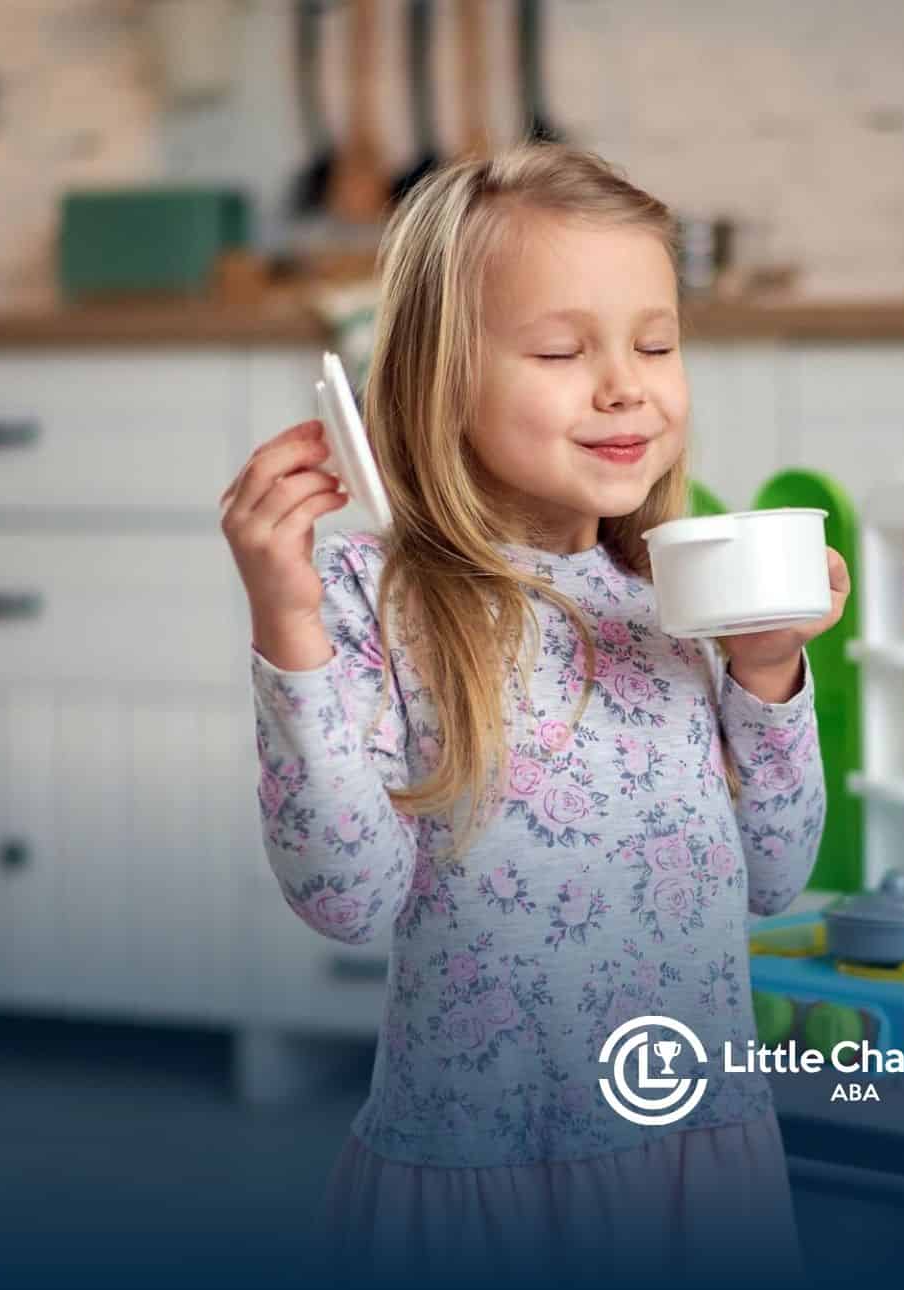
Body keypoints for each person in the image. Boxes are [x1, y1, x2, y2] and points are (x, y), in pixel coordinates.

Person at [219, 143, 846, 1289]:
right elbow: (345, 898)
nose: (625, 386)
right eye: (561, 351)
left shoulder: (675, 591)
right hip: (479, 1175)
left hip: (697, 1159)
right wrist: (288, 625)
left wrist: (766, 674)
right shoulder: (375, 597)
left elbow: (774, 876)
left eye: (655, 344)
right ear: (440, 381)